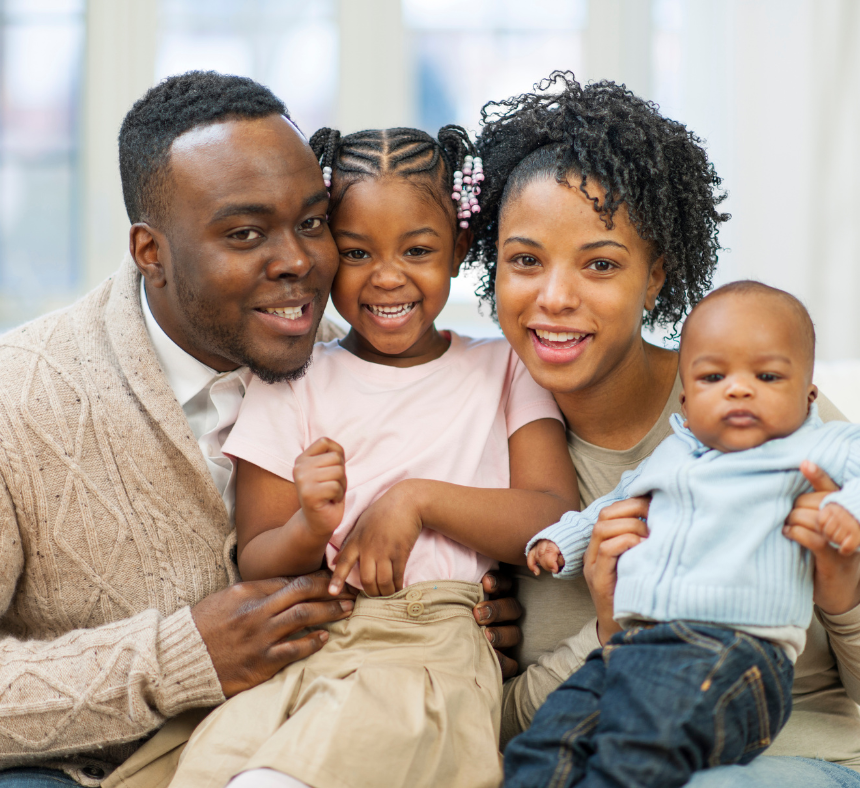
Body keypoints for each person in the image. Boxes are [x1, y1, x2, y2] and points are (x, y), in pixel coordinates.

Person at [0, 72, 520, 788]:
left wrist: (468, 618)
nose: (298, 262)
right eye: (245, 234)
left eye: (312, 223)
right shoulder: (19, 399)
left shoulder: (368, 360)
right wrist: (178, 661)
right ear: (151, 252)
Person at [468, 72, 860, 788]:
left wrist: (843, 582)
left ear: (655, 276)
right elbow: (489, 729)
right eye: (525, 260)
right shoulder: (480, 447)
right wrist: (610, 631)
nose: (554, 297)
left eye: (600, 264)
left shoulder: (766, 410)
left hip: (812, 764)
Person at [151, 125, 579, 788]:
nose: (387, 276)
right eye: (355, 252)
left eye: (418, 249)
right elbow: (257, 561)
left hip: (428, 651)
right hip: (313, 646)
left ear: (460, 247)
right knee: (213, 767)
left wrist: (417, 501)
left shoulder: (504, 369)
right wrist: (311, 526)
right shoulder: (289, 380)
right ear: (324, 254)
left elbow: (555, 519)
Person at [506, 281, 860, 787]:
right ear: (687, 403)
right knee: (548, 743)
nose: (738, 388)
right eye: (713, 377)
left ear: (809, 396)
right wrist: (560, 543)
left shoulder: (814, 446)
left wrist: (857, 519)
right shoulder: (669, 456)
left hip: (738, 650)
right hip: (639, 650)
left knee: (653, 754)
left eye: (767, 376)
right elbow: (607, 507)